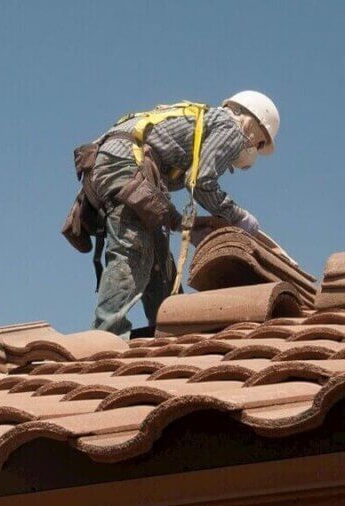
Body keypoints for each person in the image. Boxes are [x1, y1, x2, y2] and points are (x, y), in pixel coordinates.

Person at [64, 91, 280, 337]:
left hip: (109, 165)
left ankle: (171, 328)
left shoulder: (199, 121)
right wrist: (237, 216)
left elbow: (153, 189)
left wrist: (185, 224)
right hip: (125, 165)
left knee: (157, 257)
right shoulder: (232, 127)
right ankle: (105, 336)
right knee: (134, 251)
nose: (253, 147)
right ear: (257, 123)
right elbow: (200, 181)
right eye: (260, 143)